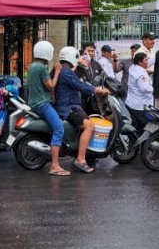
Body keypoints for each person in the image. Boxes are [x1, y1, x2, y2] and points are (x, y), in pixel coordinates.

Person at [53, 46, 111, 174]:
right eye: (76, 57)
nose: (77, 59)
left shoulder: (64, 69)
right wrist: (98, 90)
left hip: (69, 105)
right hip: (68, 108)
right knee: (90, 126)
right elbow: (80, 85)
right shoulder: (66, 72)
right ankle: (80, 159)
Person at [25, 40, 69, 176]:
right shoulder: (41, 68)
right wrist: (57, 71)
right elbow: (50, 85)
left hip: (33, 103)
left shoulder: (32, 66)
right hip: (42, 104)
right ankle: (55, 165)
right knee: (59, 128)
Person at [125, 52, 152, 130]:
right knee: (143, 127)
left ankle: (132, 141)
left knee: (135, 125)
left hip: (132, 102)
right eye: (146, 60)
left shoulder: (133, 67)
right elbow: (144, 88)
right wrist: (155, 89)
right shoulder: (140, 74)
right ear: (140, 62)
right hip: (139, 105)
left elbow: (151, 61)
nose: (148, 62)